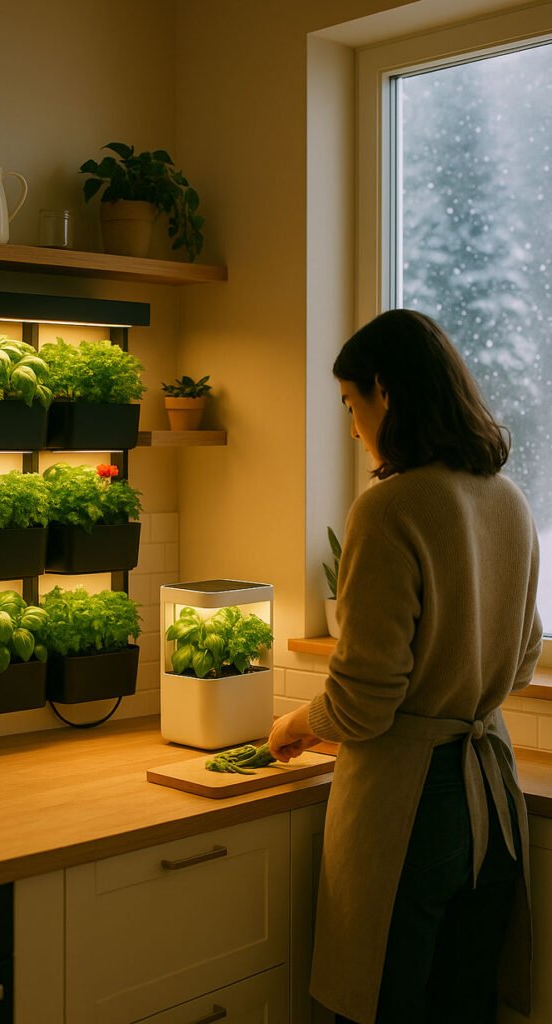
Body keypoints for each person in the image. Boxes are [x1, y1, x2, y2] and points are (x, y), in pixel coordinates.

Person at [268, 309, 542, 1024]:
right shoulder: (508, 501)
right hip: (494, 792)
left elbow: (364, 703)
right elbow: (521, 663)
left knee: (387, 1008)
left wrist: (295, 722)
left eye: (351, 405)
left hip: (411, 805)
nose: (354, 428)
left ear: (384, 392)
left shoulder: (388, 510)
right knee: (464, 1005)